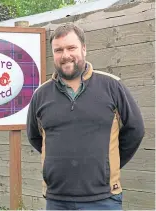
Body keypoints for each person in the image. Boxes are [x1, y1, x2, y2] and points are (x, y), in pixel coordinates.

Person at [26, 23, 145, 210]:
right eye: (58, 50)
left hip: (103, 200)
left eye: (71, 48)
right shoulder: (41, 95)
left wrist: (107, 165)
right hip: (57, 201)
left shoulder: (112, 87)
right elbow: (35, 137)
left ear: (84, 48)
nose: (65, 55)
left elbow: (135, 129)